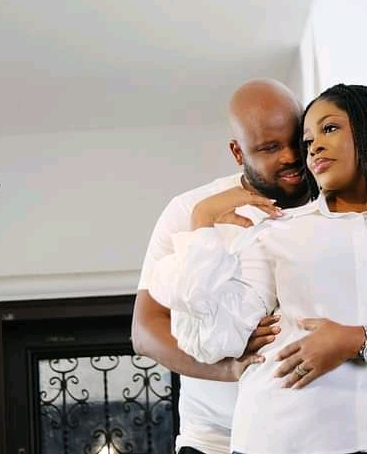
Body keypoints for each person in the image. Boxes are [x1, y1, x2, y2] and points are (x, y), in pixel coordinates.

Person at [148, 84, 367, 454]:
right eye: (308, 141)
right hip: (282, 436)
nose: (312, 148)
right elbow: (212, 339)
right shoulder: (276, 230)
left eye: (329, 129)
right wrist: (202, 222)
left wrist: (362, 339)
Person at [131, 78, 315, 454]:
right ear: (237, 151)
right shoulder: (191, 210)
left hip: (308, 431)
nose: (290, 157)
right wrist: (229, 368)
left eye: (297, 142)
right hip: (215, 437)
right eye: (269, 148)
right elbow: (145, 330)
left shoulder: (334, 203)